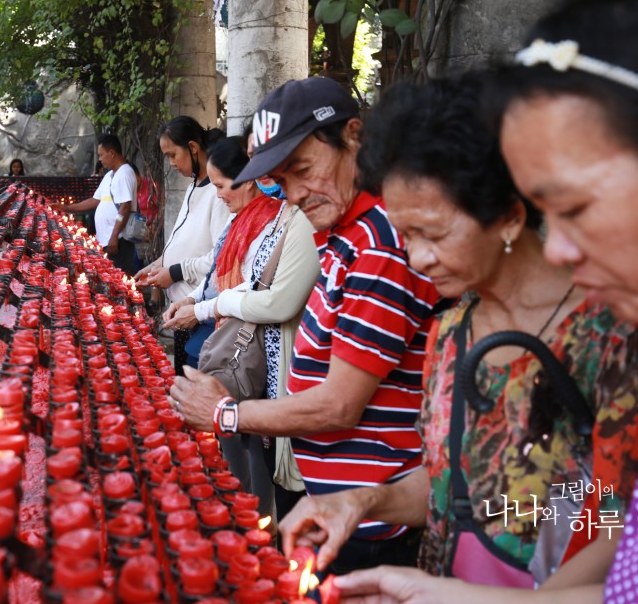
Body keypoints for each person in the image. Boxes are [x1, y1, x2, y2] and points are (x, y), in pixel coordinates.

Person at [316, 0, 638, 603]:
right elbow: (456, 486)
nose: (416, 258)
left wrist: (518, 567)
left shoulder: (622, 328)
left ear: (510, 216)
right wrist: (369, 501)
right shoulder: (449, 331)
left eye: (572, 206)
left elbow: (619, 522)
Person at [169, 76, 441, 573]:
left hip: (374, 521)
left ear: (354, 137)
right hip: (342, 504)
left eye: (303, 169)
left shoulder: (378, 246)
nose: (292, 195)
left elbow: (339, 404)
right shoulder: (341, 233)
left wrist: (227, 414)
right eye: (280, 179)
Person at [162, 136, 320, 518]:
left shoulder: (285, 219)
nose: (216, 195)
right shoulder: (255, 219)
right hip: (238, 343)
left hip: (266, 355)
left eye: (220, 185)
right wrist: (196, 299)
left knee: (259, 446)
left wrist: (204, 308)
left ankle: (258, 522)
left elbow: (270, 297)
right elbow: (219, 271)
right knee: (240, 440)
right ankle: (247, 513)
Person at [135, 116, 230, 372]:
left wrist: (174, 272)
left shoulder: (220, 194)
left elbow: (219, 258)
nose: (171, 163)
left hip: (200, 313)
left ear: (193, 147)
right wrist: (157, 266)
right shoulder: (193, 187)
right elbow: (183, 240)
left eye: (172, 154)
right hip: (181, 311)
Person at [53, 134, 139, 275]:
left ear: (111, 153)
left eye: (101, 155)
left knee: (120, 281)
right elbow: (94, 201)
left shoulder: (125, 173)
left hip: (118, 241)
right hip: (108, 241)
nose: (99, 159)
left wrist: (114, 236)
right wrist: (66, 208)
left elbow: (125, 207)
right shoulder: (109, 176)